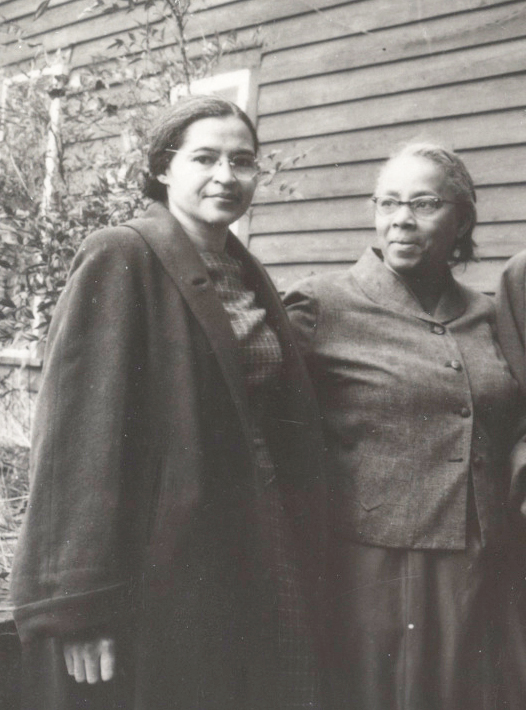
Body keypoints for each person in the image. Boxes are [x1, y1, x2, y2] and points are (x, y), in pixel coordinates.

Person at [10, 95, 325, 710]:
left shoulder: (242, 268)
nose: (226, 177)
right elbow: (78, 439)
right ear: (162, 169)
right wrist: (78, 603)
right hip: (155, 566)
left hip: (243, 552)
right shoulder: (122, 254)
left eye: (243, 161)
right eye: (205, 158)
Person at [284, 143, 520, 710]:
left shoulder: (488, 313)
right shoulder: (322, 304)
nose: (401, 219)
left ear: (462, 217)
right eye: (387, 202)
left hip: (484, 563)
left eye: (423, 202)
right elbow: (267, 423)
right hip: (375, 571)